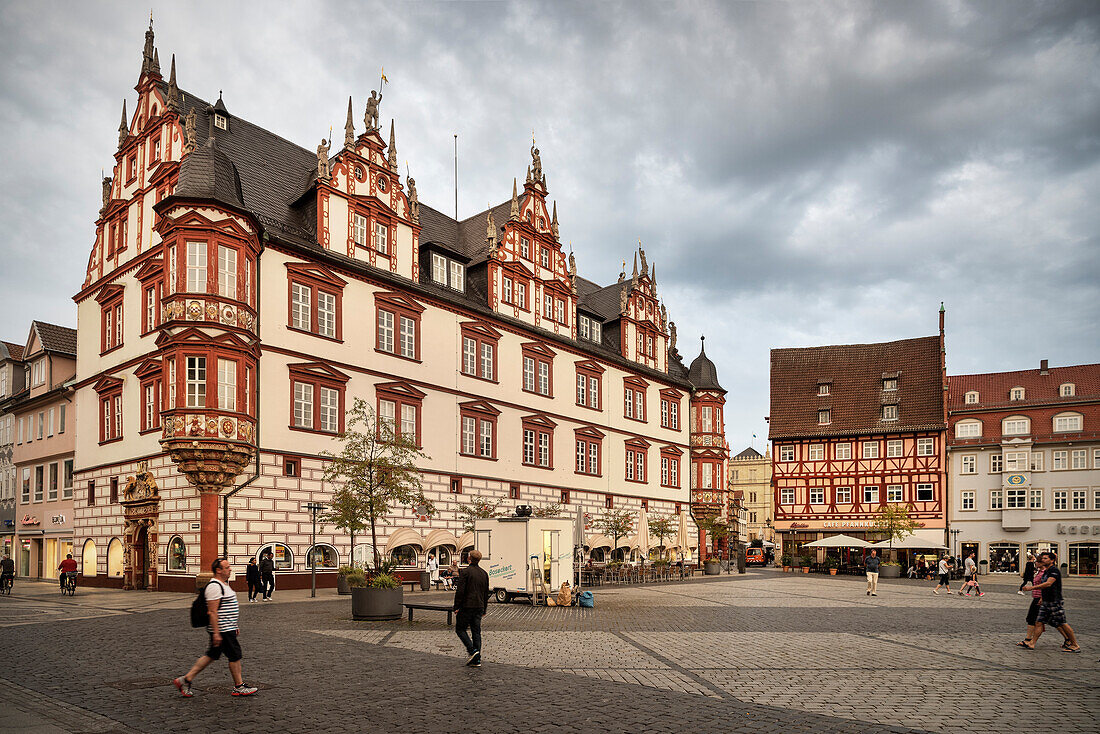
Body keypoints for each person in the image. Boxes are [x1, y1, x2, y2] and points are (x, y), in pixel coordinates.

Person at [174, 558, 258, 697]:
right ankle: (239, 686)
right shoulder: (214, 586)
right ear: (218, 570)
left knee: (211, 655)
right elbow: (212, 611)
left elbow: (225, 607)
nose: (230, 569)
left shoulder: (223, 584)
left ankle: (185, 679)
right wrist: (217, 633)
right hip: (222, 629)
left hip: (227, 627)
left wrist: (234, 624)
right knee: (234, 655)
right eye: (227, 567)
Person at [1023, 551, 1081, 652]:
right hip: (1046, 601)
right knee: (1038, 622)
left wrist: (1031, 588)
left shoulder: (1054, 570)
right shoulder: (1047, 571)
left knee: (1062, 623)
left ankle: (1074, 644)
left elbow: (1048, 584)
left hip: (1054, 601)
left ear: (1052, 560)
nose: (1043, 560)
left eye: (1046, 558)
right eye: (1043, 558)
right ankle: (1032, 643)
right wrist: (1042, 598)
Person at [453, 548, 489, 667]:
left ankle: (472, 651)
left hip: (467, 606)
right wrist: (484, 608)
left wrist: (456, 606)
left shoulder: (465, 572)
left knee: (460, 629)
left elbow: (460, 591)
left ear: (469, 558)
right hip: (479, 606)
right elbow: (485, 593)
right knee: (476, 631)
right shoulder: (484, 573)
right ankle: (477, 660)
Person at [1017, 562, 1045, 648]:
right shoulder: (1039, 572)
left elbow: (1046, 586)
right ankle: (1029, 640)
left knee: (1057, 623)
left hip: (1041, 599)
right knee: (1032, 619)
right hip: (1037, 598)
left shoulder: (1045, 573)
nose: (1035, 563)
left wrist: (1042, 597)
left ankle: (1069, 640)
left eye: (1038, 561)